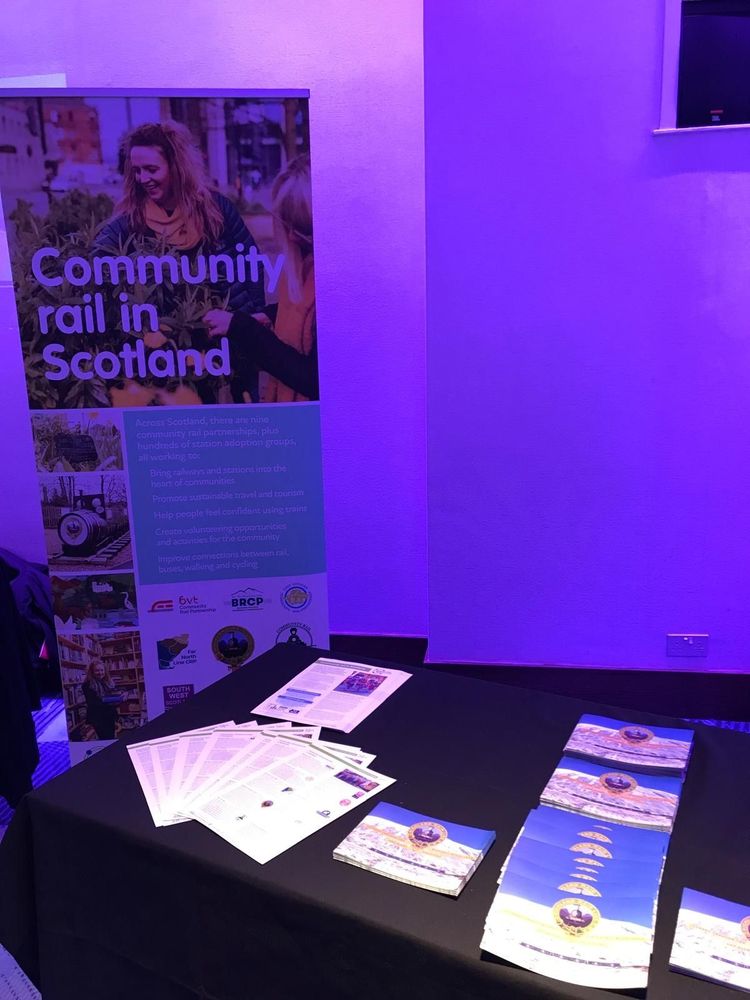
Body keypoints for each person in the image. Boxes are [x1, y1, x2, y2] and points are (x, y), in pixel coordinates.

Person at [95, 120, 265, 400]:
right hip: (176, 359)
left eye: (152, 169)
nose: (142, 179)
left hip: (230, 346)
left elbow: (250, 264)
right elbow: (97, 260)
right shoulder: (131, 222)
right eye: (136, 171)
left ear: (177, 166)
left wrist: (249, 321)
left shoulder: (215, 209)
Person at [204, 154, 318, 401]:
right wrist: (273, 316)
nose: (291, 235)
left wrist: (243, 329)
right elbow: (304, 316)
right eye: (287, 223)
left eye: (299, 226)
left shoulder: (340, 287)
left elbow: (314, 378)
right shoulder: (307, 264)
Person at [81, 661, 128, 741]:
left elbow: (118, 690)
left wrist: (125, 693)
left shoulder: (107, 682)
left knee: (111, 738)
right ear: (92, 672)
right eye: (97, 670)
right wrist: (113, 700)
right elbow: (92, 703)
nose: (100, 673)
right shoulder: (87, 685)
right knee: (106, 739)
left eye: (102, 670)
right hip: (98, 718)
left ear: (105, 671)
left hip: (110, 715)